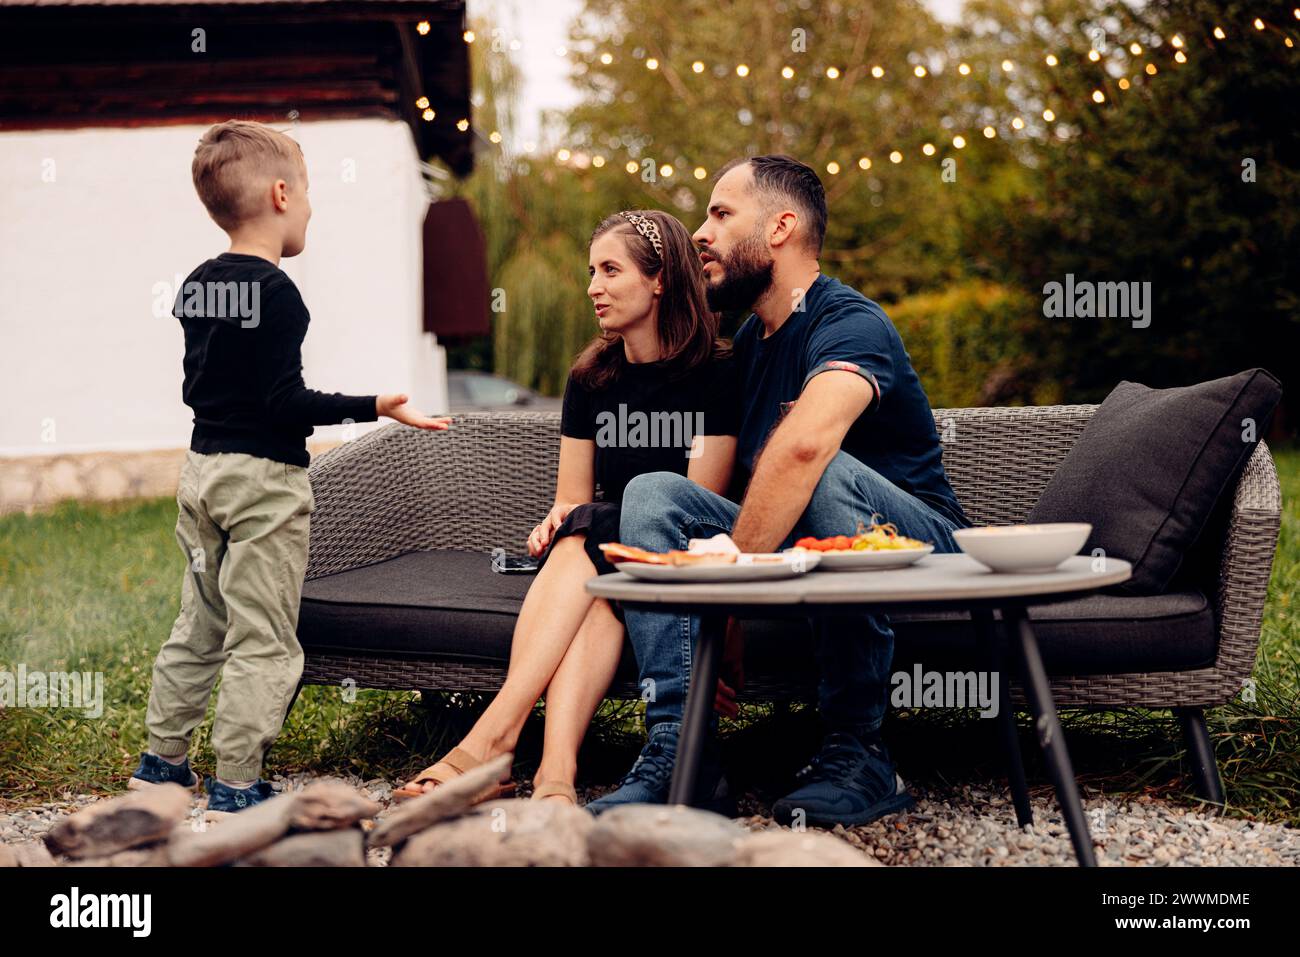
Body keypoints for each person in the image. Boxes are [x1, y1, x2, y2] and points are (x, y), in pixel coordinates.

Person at [587, 155, 972, 825]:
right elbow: (742, 484)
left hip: (926, 547)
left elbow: (802, 448)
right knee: (653, 493)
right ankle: (683, 752)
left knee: (814, 464)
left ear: (781, 227)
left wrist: (726, 593)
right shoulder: (752, 344)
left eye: (720, 213)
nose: (700, 233)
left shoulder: (852, 323)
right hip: (808, 544)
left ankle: (862, 750)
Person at [131, 120, 450, 812]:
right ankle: (238, 780)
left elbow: (208, 388)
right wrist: (373, 403)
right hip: (264, 485)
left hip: (203, 473)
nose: (309, 207)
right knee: (265, 636)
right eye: (307, 194)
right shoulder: (278, 293)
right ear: (280, 194)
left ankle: (162, 761)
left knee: (200, 621)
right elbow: (282, 401)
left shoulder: (196, 285)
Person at [392, 209, 742, 806]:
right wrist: (554, 519)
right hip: (604, 559)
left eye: (610, 270)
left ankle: (493, 743)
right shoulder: (592, 377)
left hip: (677, 553)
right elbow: (572, 499)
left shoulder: (715, 372)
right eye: (590, 271)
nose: (592, 287)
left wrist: (581, 522)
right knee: (590, 550)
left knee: (605, 532)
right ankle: (555, 777)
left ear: (659, 280)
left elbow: (696, 506)